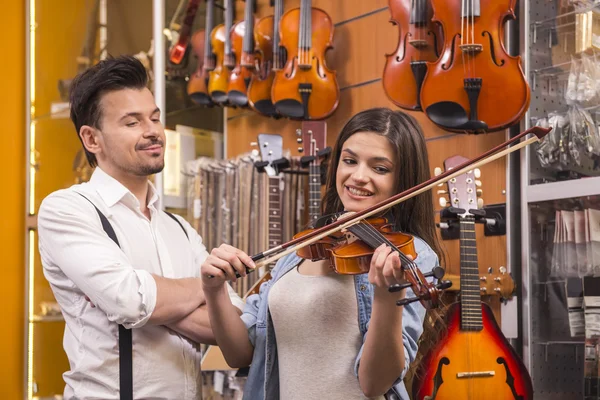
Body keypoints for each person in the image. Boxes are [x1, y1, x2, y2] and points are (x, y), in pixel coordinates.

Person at [37, 55, 244, 399]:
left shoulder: (179, 228)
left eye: (155, 118)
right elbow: (130, 301)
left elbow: (233, 322)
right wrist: (205, 288)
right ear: (91, 139)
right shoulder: (68, 209)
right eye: (132, 122)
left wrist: (154, 301)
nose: (152, 131)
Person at [201, 107, 444, 400]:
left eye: (380, 168)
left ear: (403, 180)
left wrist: (386, 296)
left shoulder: (411, 255)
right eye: (350, 161)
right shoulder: (305, 246)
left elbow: (375, 383)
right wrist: (214, 291)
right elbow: (239, 353)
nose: (358, 177)